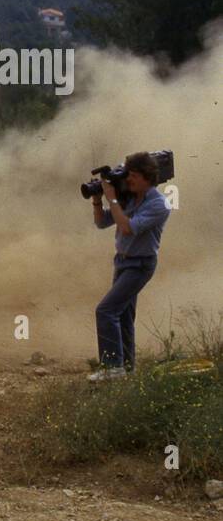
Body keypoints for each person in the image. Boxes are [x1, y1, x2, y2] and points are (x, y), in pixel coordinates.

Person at [89, 152, 171, 381]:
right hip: (123, 261)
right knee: (123, 316)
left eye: (133, 176)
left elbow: (127, 228)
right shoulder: (130, 198)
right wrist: (98, 198)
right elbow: (101, 222)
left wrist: (112, 197)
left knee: (106, 310)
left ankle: (112, 367)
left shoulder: (158, 205)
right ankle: (127, 369)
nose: (129, 180)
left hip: (140, 265)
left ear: (147, 177)